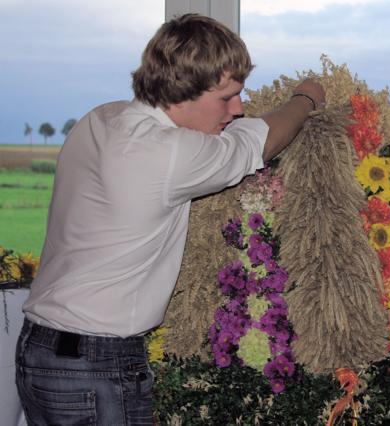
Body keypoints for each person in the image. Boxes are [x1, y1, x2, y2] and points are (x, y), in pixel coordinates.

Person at [15, 13, 324, 425]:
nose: (238, 109)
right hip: (97, 365)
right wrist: (306, 98)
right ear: (181, 93)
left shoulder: (102, 118)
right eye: (226, 97)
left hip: (39, 351)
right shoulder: (169, 152)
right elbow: (261, 141)